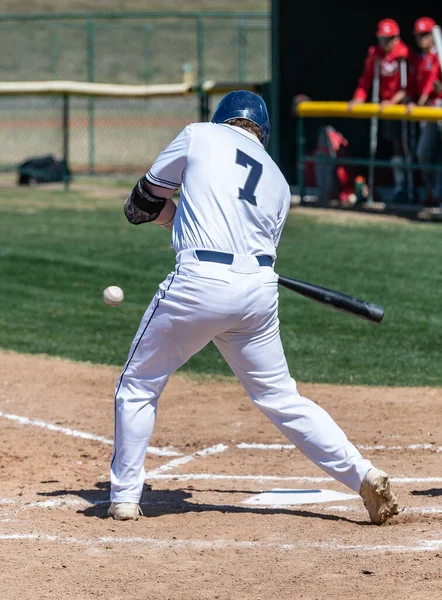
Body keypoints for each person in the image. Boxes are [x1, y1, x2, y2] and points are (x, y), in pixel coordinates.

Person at [108, 90, 400, 525]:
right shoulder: (279, 182)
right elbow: (231, 227)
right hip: (258, 292)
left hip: (198, 283)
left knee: (138, 383)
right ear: (260, 131)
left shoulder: (199, 134)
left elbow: (145, 201)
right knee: (282, 397)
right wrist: (178, 214)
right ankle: (363, 473)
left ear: (223, 118)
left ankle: (125, 497)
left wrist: (154, 211)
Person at [350, 18, 416, 202]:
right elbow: (366, 79)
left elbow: (411, 86)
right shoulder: (375, 54)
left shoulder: (405, 53)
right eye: (382, 39)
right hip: (385, 107)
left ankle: (408, 188)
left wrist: (394, 101)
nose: (385, 43)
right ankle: (397, 187)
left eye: (389, 39)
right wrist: (358, 98)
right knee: (394, 145)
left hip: (402, 107)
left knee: (405, 146)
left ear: (396, 38)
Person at [408, 17, 442, 206]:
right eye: (419, 35)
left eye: (425, 35)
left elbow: (431, 87)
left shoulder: (440, 56)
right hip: (429, 112)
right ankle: (434, 192)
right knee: (424, 153)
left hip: (440, 108)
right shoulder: (420, 60)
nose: (422, 39)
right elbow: (420, 87)